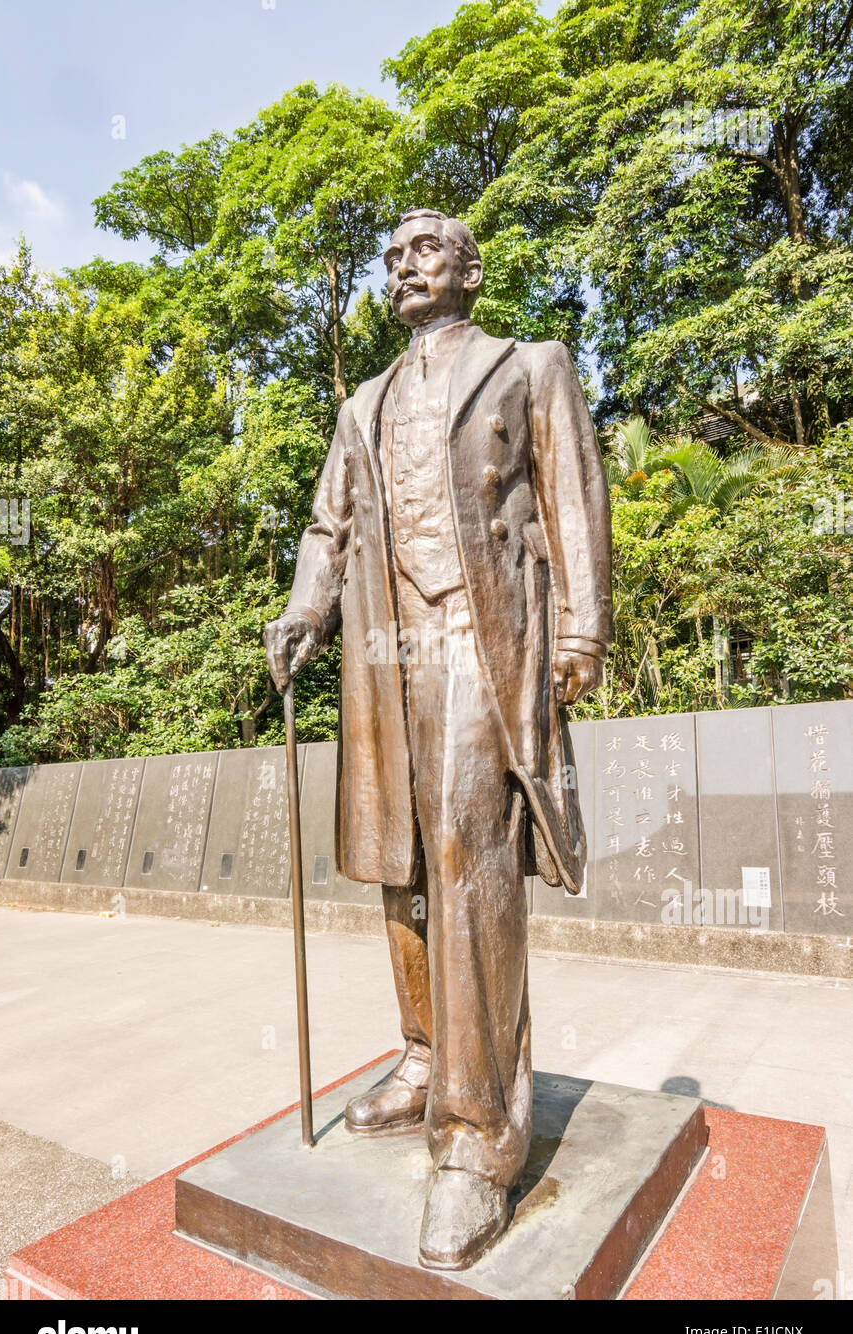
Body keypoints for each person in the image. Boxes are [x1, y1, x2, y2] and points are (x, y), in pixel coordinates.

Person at [265, 209, 612, 1271]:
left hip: (484, 630)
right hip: (382, 642)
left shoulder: (531, 364)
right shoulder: (360, 403)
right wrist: (301, 611)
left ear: (466, 268)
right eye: (390, 259)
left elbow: (571, 494)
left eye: (423, 252)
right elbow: (329, 527)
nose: (401, 269)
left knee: (467, 852)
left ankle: (474, 1138)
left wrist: (583, 629)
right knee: (398, 856)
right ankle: (421, 1051)